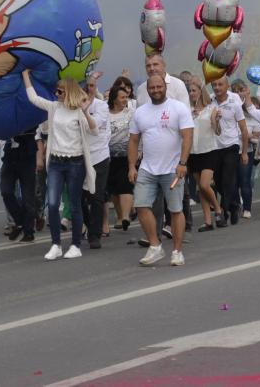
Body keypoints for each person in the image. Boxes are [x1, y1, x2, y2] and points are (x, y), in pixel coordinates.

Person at [22, 70, 97, 260]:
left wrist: (85, 111)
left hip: (75, 163)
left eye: (60, 92)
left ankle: (75, 245)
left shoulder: (79, 112)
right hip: (55, 161)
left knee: (74, 206)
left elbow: (93, 130)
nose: (57, 95)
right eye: (56, 91)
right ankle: (56, 244)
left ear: (69, 92)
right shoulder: (54, 108)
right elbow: (34, 99)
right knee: (53, 204)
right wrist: (25, 76)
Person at [128, 74, 193, 266]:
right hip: (148, 168)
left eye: (159, 87)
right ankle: (155, 246)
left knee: (175, 210)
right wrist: (132, 166)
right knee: (141, 205)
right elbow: (133, 141)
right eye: (152, 88)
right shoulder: (140, 112)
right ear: (147, 90)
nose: (155, 90)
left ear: (164, 86)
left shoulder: (178, 108)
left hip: (172, 168)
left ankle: (177, 251)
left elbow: (187, 136)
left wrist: (183, 163)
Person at [209, 76, 248, 225]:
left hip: (231, 146)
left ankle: (223, 213)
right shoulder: (210, 102)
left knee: (227, 180)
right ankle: (234, 204)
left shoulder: (234, 104)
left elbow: (244, 129)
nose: (217, 87)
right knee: (218, 182)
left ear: (227, 86)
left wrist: (244, 152)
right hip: (214, 147)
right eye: (214, 85)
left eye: (220, 84)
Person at [186, 77, 221, 231]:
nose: (191, 93)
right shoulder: (187, 110)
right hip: (193, 152)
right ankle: (207, 220)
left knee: (204, 185)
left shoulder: (211, 108)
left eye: (194, 90)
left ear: (201, 91)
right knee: (201, 189)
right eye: (190, 91)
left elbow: (218, 131)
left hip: (209, 150)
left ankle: (218, 209)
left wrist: (216, 120)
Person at [81, 73, 111, 249]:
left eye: (91, 86)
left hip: (99, 156)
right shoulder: (73, 107)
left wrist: (85, 111)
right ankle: (90, 224)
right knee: (79, 196)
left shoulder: (101, 106)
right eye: (85, 86)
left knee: (96, 196)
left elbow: (94, 127)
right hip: (80, 156)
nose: (88, 89)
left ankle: (95, 235)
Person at [106, 80, 135, 233]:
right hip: (109, 156)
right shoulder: (105, 113)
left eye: (126, 97)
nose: (125, 100)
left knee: (125, 185)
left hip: (126, 155)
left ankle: (125, 216)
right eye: (122, 97)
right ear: (114, 98)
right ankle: (119, 216)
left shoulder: (130, 113)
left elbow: (136, 134)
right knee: (114, 189)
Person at [1, 127, 38, 243]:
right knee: (6, 191)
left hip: (27, 155)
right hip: (9, 156)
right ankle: (20, 222)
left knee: (28, 199)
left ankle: (29, 232)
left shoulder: (30, 109)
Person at [230, 78, 259, 219]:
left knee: (245, 181)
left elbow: (257, 135)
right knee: (233, 182)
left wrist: (249, 137)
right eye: (235, 91)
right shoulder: (230, 108)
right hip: (231, 151)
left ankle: (247, 208)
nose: (238, 93)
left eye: (241, 90)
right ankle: (236, 206)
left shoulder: (250, 112)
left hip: (246, 151)